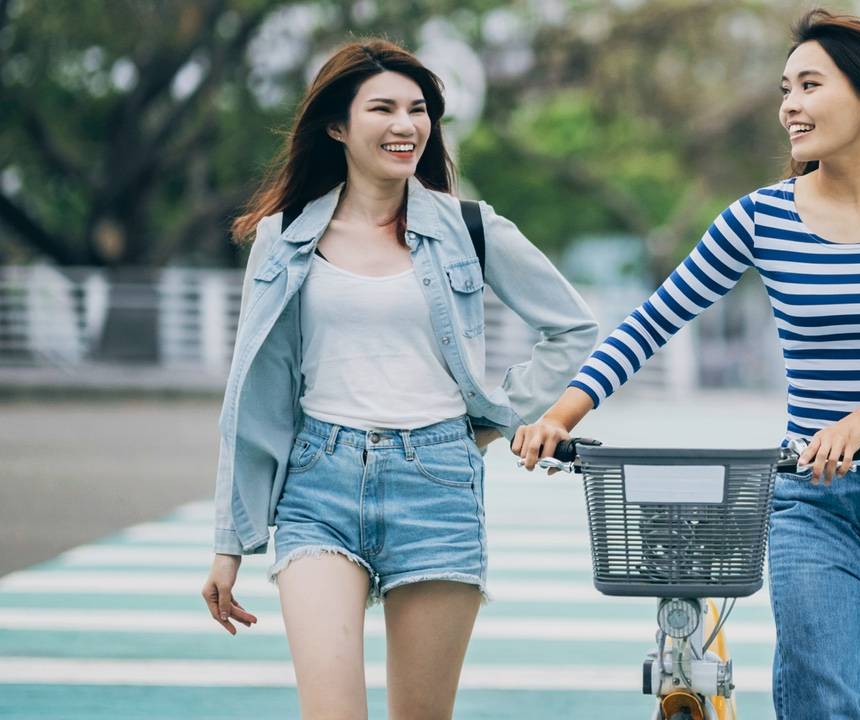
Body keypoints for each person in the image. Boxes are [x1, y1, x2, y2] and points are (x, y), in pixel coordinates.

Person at [514, 9, 860, 719]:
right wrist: (564, 411)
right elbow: (655, 320)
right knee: (818, 697)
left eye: (810, 86)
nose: (789, 107)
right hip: (813, 499)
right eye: (786, 89)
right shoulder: (761, 218)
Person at [200, 38, 597, 720]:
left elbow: (574, 329)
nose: (406, 125)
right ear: (336, 125)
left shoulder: (471, 227)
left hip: (437, 485)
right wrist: (229, 542)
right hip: (317, 484)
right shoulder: (284, 235)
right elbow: (251, 396)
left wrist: (492, 420)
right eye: (382, 108)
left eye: (418, 110)